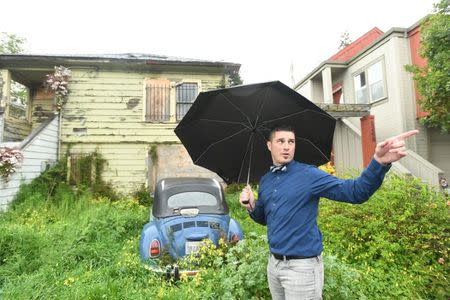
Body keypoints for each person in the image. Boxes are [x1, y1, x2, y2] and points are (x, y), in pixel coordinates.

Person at [239, 125, 418, 300]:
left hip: (302, 268)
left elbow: (356, 192)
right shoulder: (266, 180)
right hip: (274, 265)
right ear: (269, 145)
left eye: (291, 141)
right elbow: (265, 219)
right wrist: (251, 206)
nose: (286, 146)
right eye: (280, 141)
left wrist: (380, 161)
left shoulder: (309, 175)